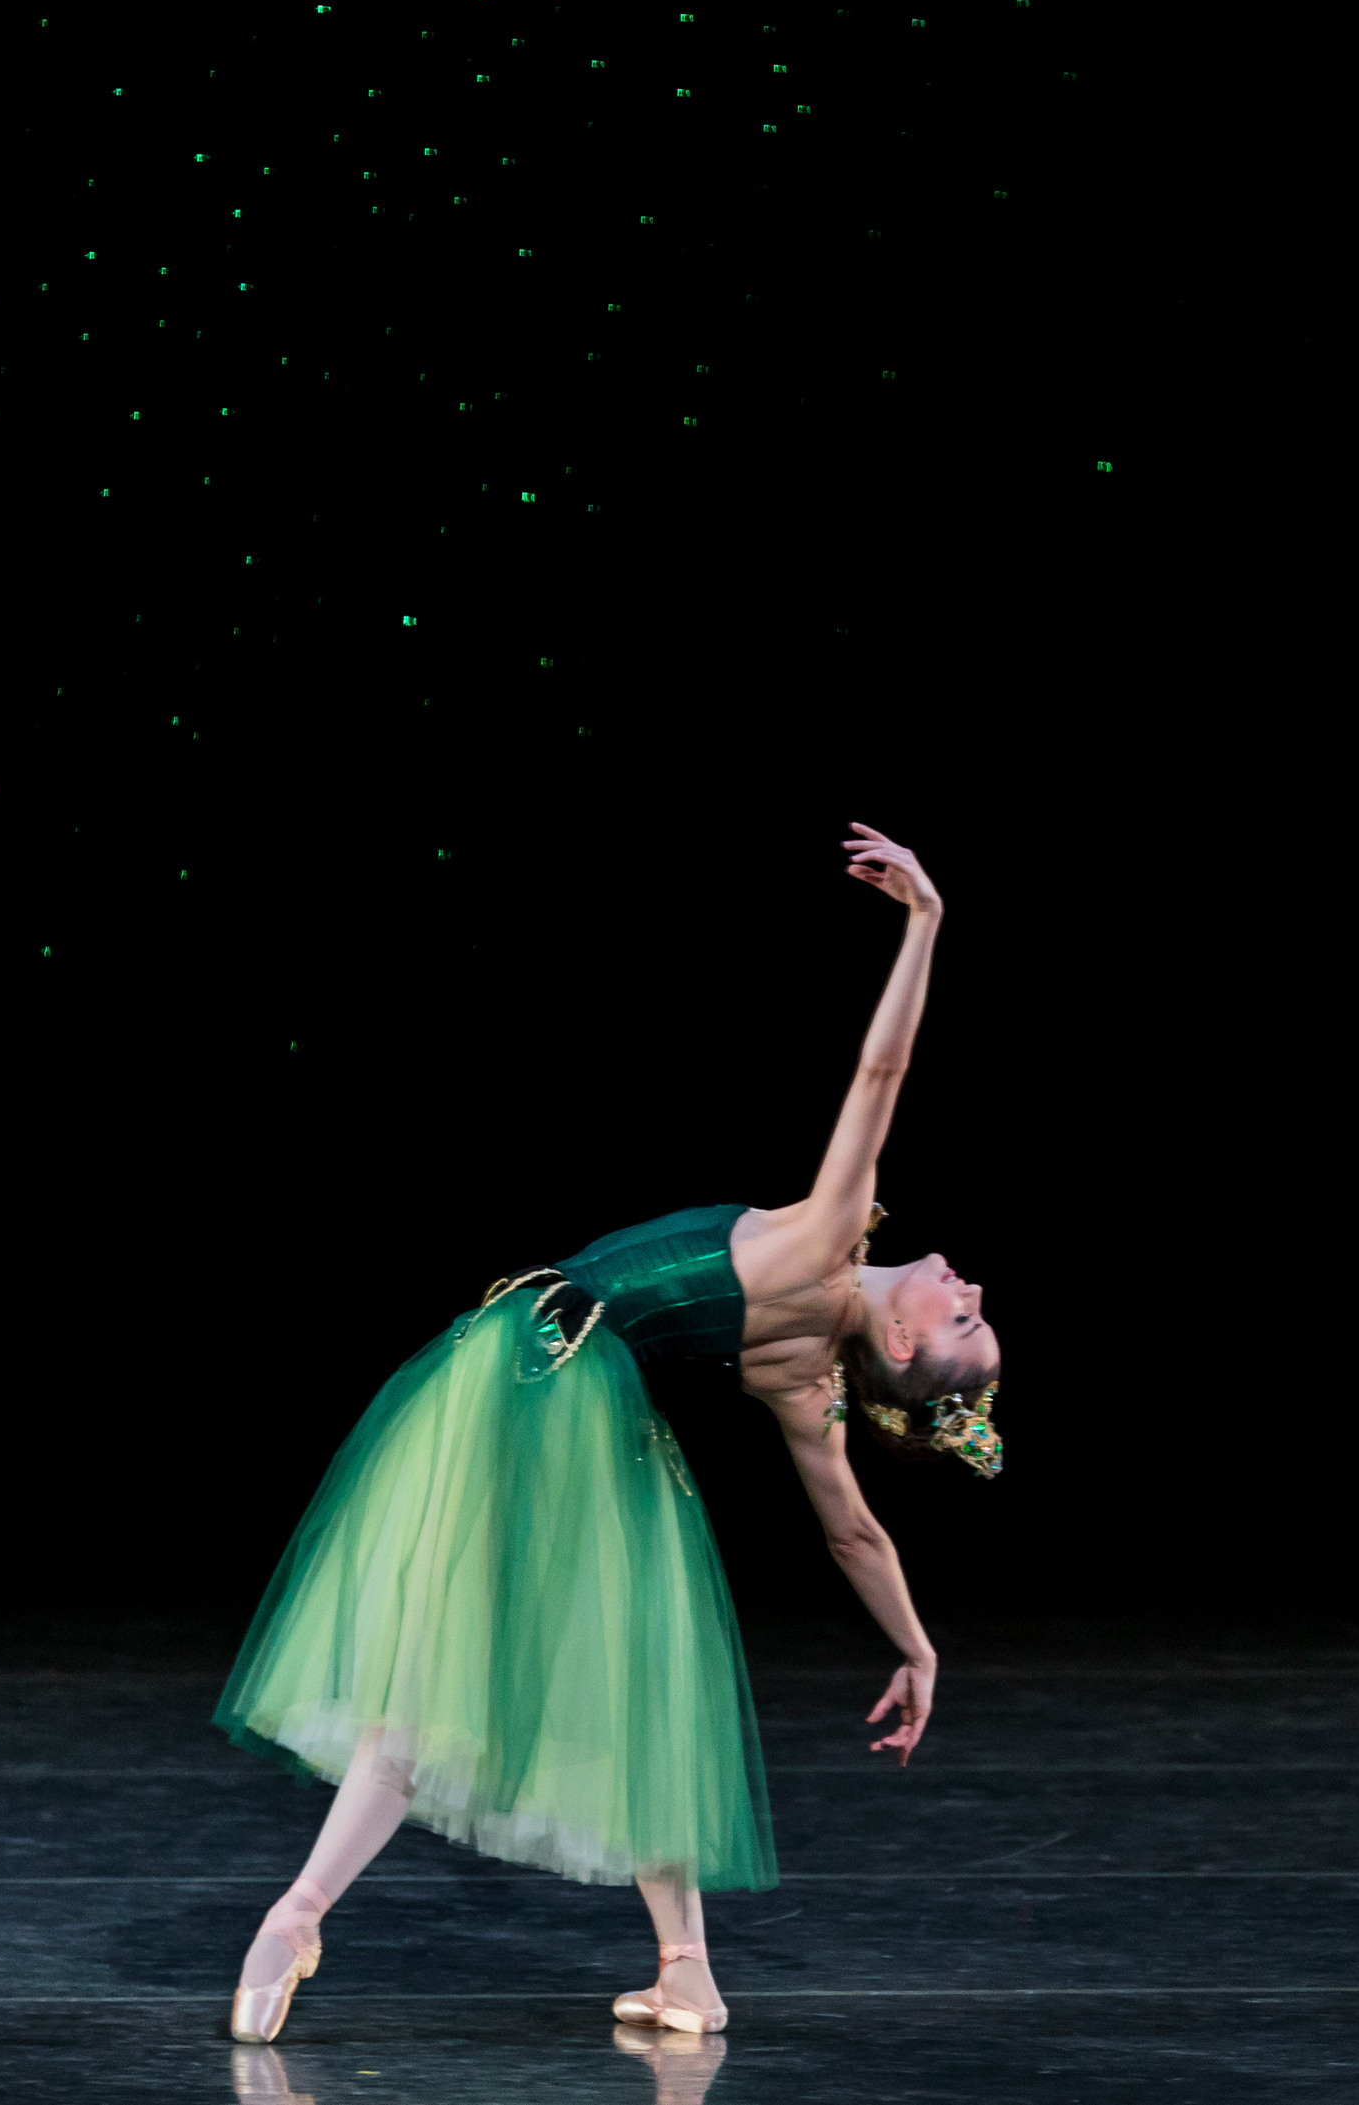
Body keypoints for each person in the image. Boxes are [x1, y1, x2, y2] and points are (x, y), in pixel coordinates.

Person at [215, 822, 1004, 2045]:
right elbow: (851, 1533)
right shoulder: (806, 1383)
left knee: (441, 1677)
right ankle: (681, 1967)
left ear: (903, 1347)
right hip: (589, 1422)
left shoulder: (825, 1239)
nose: (971, 1288)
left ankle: (298, 1916)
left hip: (528, 1372)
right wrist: (918, 1649)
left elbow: (880, 1075)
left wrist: (925, 925)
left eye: (962, 1318)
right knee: (635, 1687)